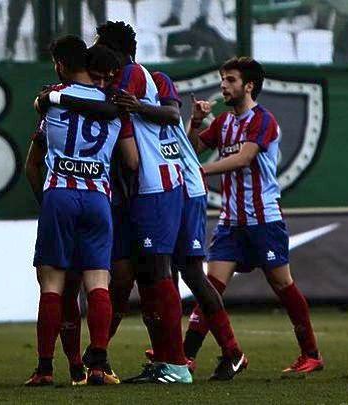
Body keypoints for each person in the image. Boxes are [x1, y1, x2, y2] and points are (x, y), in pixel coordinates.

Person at [185, 56, 324, 375]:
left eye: (231, 80)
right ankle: (187, 356)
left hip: (264, 220)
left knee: (282, 285)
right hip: (230, 222)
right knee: (209, 288)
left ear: (249, 86)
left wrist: (202, 171)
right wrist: (194, 122)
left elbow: (244, 158)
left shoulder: (263, 120)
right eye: (223, 79)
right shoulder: (223, 122)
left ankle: (311, 353)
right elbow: (191, 151)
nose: (223, 85)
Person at [110, 70, 246, 381]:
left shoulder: (150, 94)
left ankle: (223, 352)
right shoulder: (145, 104)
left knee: (183, 272)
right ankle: (176, 354)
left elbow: (172, 119)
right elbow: (182, 137)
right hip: (176, 185)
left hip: (184, 188)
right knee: (167, 270)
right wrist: (194, 124)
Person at [25, 35, 138, 387]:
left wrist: (48, 202)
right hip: (97, 199)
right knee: (98, 282)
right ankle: (99, 365)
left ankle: (45, 369)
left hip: (60, 194)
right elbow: (132, 161)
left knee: (52, 284)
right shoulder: (115, 102)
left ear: (60, 64)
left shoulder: (52, 100)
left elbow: (33, 162)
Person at [94, 20, 192, 384]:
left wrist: (60, 96)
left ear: (114, 51)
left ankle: (177, 364)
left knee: (159, 270)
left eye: (100, 46)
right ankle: (164, 360)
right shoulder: (142, 78)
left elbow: (165, 114)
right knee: (148, 274)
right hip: (145, 187)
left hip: (156, 183)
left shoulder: (131, 74)